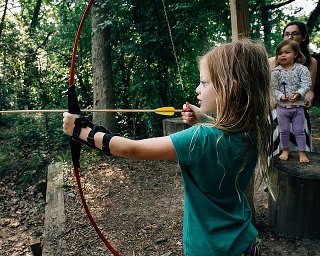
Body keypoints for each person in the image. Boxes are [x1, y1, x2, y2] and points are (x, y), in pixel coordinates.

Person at [63, 40, 269, 255]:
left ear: (231, 87)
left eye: (204, 83)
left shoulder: (201, 139)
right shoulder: (252, 129)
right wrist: (204, 119)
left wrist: (81, 132)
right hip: (246, 243)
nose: (198, 89)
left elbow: (131, 149)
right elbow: (225, 132)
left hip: (209, 249)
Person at [269, 21, 316, 156]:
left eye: (294, 34)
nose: (290, 37)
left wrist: (308, 97)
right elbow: (270, 88)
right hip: (278, 109)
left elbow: (310, 88)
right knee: (277, 148)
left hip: (298, 107)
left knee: (300, 134)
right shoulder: (272, 61)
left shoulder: (311, 62)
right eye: (286, 34)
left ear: (304, 37)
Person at [272, 39, 311, 163]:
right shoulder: (275, 72)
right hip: (282, 108)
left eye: (287, 52)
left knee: (299, 130)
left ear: (295, 54)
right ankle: (285, 150)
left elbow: (306, 84)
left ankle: (302, 152)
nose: (283, 55)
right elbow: (273, 88)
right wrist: (280, 96)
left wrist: (300, 93)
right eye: (280, 53)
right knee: (283, 131)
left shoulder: (302, 69)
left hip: (297, 107)